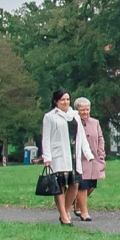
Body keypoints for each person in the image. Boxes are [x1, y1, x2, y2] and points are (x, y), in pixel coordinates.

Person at [37, 91, 85, 226]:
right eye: (63, 99)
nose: (66, 102)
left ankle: (66, 209)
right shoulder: (50, 116)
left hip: (73, 154)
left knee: (74, 184)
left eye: (68, 99)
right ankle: (63, 216)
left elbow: (81, 136)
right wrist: (47, 157)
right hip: (58, 155)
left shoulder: (74, 115)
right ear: (56, 101)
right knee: (60, 185)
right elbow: (46, 138)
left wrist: (87, 153)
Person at [72, 98, 104, 221]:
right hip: (80, 159)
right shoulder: (73, 122)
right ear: (77, 110)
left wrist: (101, 153)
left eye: (87, 109)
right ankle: (84, 213)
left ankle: (76, 202)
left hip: (94, 158)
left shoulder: (95, 122)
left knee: (91, 186)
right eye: (82, 110)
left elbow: (100, 138)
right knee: (83, 186)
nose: (85, 112)